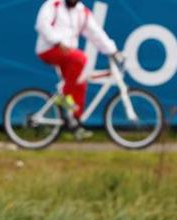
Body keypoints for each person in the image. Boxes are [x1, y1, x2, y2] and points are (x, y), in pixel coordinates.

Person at [34, 0, 123, 139]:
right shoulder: (53, 4)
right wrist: (58, 41)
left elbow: (96, 33)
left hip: (69, 54)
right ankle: (65, 99)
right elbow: (42, 25)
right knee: (81, 59)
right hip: (49, 49)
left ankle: (74, 121)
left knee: (81, 81)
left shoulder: (82, 12)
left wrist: (113, 51)